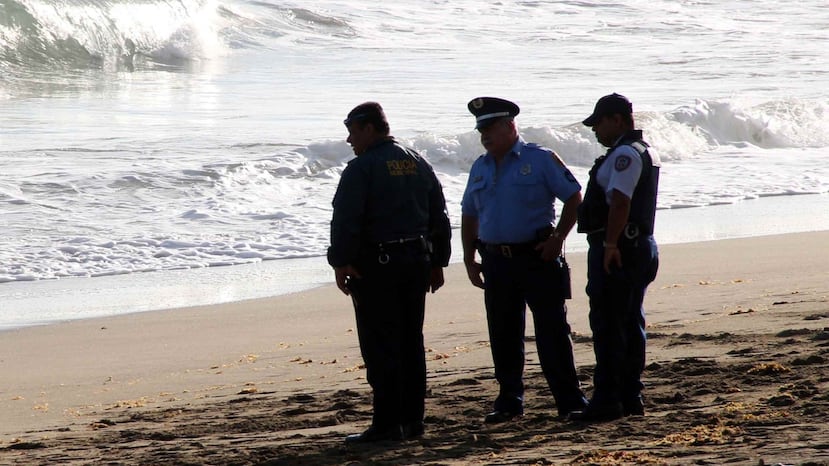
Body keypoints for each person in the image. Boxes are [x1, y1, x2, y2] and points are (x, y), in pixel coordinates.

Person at [328, 102, 452, 443]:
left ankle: (386, 424)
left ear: (369, 129)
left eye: (353, 131)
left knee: (381, 346)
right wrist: (439, 260)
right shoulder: (416, 161)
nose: (349, 139)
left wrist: (340, 260)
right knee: (411, 343)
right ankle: (412, 421)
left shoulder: (362, 167)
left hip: (378, 267)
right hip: (415, 263)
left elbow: (346, 219)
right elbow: (438, 213)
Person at [460, 97, 588, 423]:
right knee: (503, 334)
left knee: (552, 333)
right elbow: (469, 213)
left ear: (510, 126)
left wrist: (559, 238)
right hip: (495, 261)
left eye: (490, 128)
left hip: (536, 257)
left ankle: (569, 400)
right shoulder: (480, 165)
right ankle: (509, 401)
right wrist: (468, 257)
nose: (485, 136)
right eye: (481, 130)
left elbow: (574, 196)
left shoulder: (540, 159)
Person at [569, 93, 660, 422]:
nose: (595, 130)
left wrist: (609, 245)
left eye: (599, 123)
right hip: (636, 246)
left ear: (618, 120)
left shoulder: (624, 154)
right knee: (629, 321)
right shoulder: (640, 150)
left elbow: (620, 202)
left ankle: (609, 399)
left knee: (610, 325)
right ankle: (629, 395)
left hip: (621, 249)